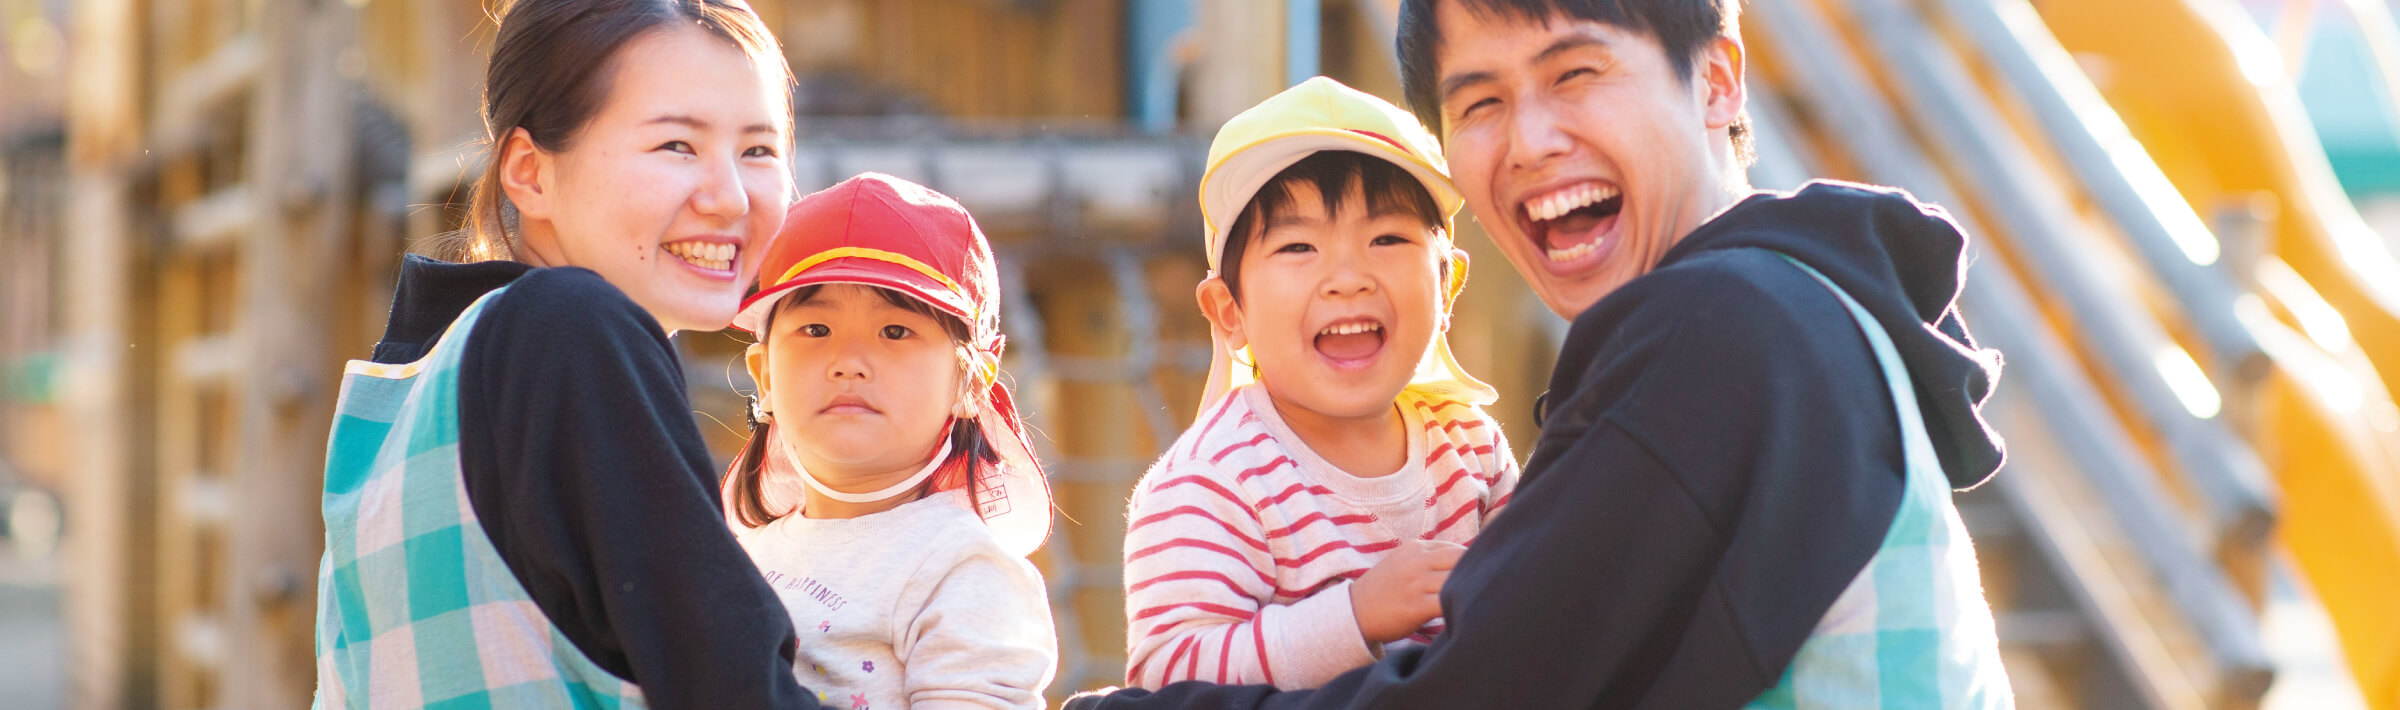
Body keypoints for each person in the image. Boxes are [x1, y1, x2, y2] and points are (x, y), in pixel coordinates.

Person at [1067, 0, 2015, 706]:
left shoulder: (1721, 337)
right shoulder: (1792, 305)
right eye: (1478, 103)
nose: (1528, 142)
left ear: (1719, 80)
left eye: (1575, 75)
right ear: (1226, 310)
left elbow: (1487, 687)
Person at [311, 1, 822, 707]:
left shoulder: (415, 381)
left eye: (759, 151)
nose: (730, 196)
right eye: (676, 145)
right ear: (530, 172)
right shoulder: (572, 330)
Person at [1119, 77, 1518, 691]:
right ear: (1230, 312)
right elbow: (1170, 680)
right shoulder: (1214, 482)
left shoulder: (1471, 448)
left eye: (1387, 239)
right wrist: (1356, 616)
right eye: (1298, 246)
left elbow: (1539, 604)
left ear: (1449, 288)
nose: (1347, 277)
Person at [722, 173, 1059, 710]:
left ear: (971, 381)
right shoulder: (741, 555)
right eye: (815, 330)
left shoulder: (962, 568)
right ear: (764, 375)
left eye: (895, 331)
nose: (849, 363)